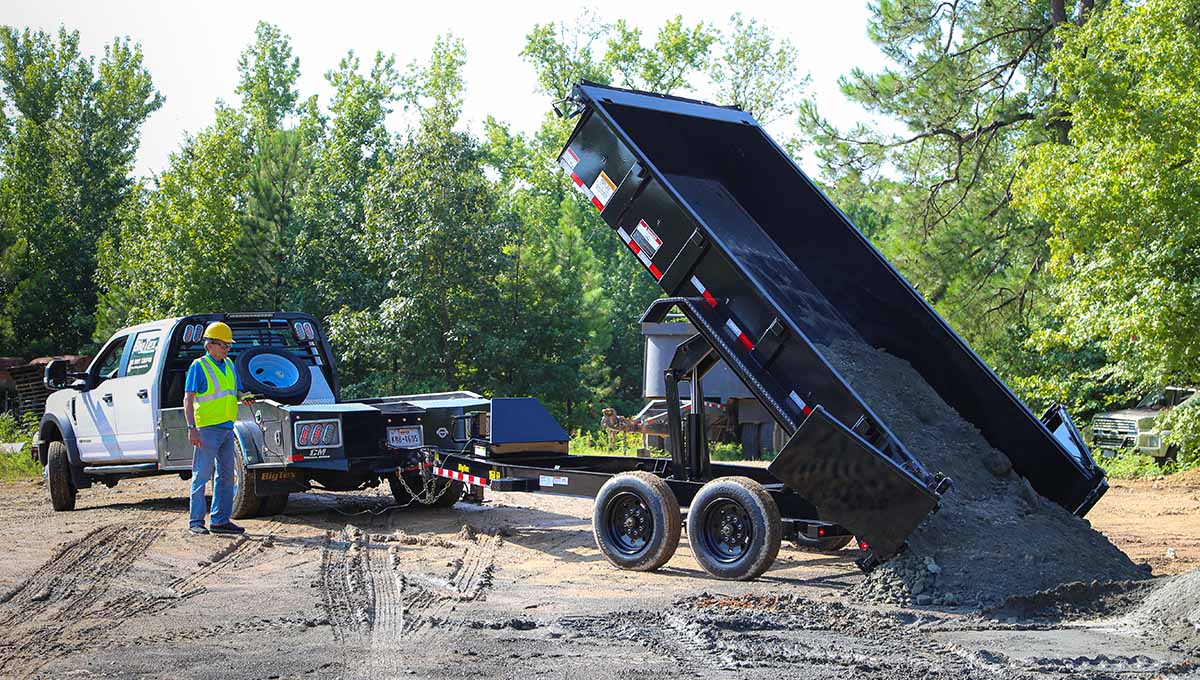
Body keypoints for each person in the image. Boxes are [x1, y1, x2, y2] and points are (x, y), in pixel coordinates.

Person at [184, 321, 254, 535]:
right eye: (224, 345)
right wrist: (191, 428)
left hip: (226, 427)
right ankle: (196, 522)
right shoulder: (199, 366)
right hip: (206, 428)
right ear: (210, 345)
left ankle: (220, 521)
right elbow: (188, 398)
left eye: (229, 346)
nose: (227, 349)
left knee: (226, 477)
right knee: (201, 475)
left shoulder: (230, 365)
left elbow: (235, 391)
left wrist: (245, 397)